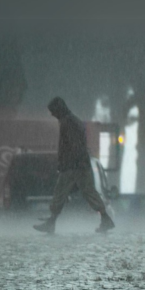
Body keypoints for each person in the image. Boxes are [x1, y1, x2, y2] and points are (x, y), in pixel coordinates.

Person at [34, 97, 115, 234]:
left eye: (53, 111)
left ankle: (51, 222)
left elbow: (71, 146)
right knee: (89, 192)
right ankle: (105, 219)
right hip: (81, 164)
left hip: (73, 166)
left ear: (59, 109)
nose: (52, 114)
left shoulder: (67, 123)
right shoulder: (74, 121)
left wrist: (65, 164)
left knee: (60, 193)